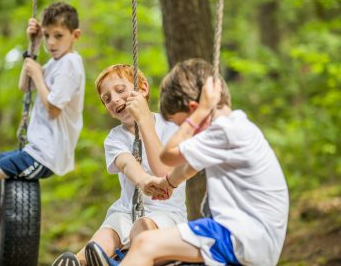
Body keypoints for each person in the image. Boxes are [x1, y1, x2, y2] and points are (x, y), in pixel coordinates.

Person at [88, 58, 289, 266]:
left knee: (145, 244)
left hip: (242, 235)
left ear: (194, 109)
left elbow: (167, 157)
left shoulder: (224, 131)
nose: (187, 132)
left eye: (183, 124)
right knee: (149, 244)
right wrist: (169, 184)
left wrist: (195, 114)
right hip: (250, 237)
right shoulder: (234, 126)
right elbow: (186, 169)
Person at [0, 2, 85, 243]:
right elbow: (24, 86)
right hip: (33, 149)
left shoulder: (70, 63)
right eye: (47, 35)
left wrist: (38, 75)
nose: (51, 43)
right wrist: (34, 46)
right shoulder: (55, 61)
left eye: (58, 36)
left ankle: (6, 238)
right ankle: (2, 228)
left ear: (75, 35)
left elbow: (54, 108)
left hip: (44, 154)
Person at [52, 64, 187, 266]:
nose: (114, 99)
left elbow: (164, 171)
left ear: (142, 88)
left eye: (121, 90)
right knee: (101, 240)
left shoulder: (171, 127)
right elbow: (126, 163)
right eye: (106, 99)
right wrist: (143, 180)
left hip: (166, 214)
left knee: (143, 228)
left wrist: (144, 121)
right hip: (126, 211)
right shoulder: (115, 138)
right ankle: (80, 263)